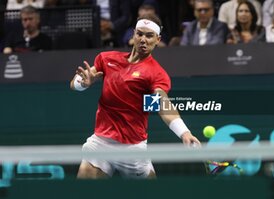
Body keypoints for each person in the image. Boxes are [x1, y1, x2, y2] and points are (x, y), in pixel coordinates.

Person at [70, 13, 201, 179]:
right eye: (140, 34)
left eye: (149, 36)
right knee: (84, 184)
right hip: (101, 142)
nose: (143, 40)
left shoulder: (155, 73)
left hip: (132, 147)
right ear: (133, 34)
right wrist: (83, 84)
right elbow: (73, 85)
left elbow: (161, 104)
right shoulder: (107, 59)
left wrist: (184, 133)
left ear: (158, 39)